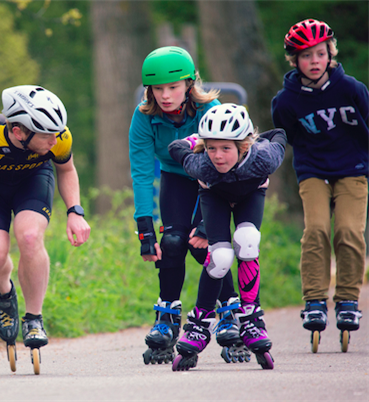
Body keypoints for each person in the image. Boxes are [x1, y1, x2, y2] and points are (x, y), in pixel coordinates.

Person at [0, 85, 91, 372]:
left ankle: (34, 319)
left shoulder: (59, 135)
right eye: (46, 135)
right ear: (18, 131)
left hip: (33, 180)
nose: (55, 140)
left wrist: (75, 211)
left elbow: (66, 169)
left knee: (29, 236)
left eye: (57, 133)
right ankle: (5, 294)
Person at [129, 46, 243, 365]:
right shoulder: (145, 117)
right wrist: (144, 228)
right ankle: (166, 320)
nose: (165, 95)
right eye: (158, 88)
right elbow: (141, 173)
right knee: (172, 241)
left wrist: (208, 223)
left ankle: (229, 313)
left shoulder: (210, 111)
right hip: (175, 177)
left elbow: (226, 165)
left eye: (173, 87)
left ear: (189, 84)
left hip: (213, 178)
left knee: (203, 245)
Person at [271, 19, 367, 352]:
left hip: (353, 169)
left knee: (348, 230)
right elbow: (288, 137)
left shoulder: (352, 89)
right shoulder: (286, 101)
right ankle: (314, 300)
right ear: (294, 60)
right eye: (306, 55)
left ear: (331, 54)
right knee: (316, 229)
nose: (314, 61)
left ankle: (347, 300)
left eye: (320, 54)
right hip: (312, 170)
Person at [168, 103, 286, 371]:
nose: (218, 156)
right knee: (220, 257)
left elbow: (279, 134)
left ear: (243, 146)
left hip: (250, 195)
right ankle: (200, 323)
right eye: (211, 148)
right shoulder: (201, 164)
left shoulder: (264, 158)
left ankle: (251, 318)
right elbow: (175, 147)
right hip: (215, 196)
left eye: (225, 148)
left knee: (248, 240)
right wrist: (195, 142)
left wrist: (259, 138)